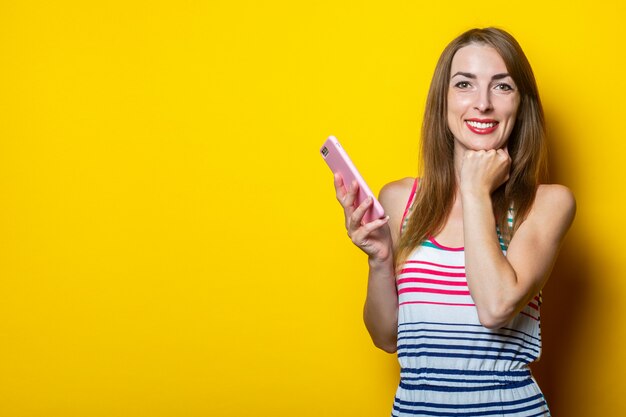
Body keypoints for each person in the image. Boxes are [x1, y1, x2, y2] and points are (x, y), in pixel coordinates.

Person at [332, 27, 575, 416]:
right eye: (464, 84)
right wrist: (378, 261)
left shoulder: (545, 203)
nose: (482, 104)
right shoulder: (401, 199)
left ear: (521, 103)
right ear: (442, 101)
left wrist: (476, 190)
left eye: (502, 86)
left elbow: (495, 307)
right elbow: (386, 338)